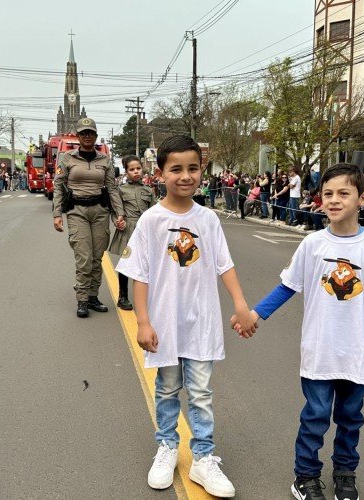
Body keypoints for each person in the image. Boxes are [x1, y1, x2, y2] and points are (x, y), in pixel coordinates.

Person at [234, 163, 364, 500]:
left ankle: (345, 471)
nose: (333, 200)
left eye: (343, 193)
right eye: (327, 193)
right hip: (320, 349)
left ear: (362, 199)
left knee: (350, 417)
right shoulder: (313, 244)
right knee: (315, 417)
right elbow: (287, 287)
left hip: (360, 351)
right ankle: (306, 475)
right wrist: (255, 314)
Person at [115, 135, 252, 498]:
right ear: (159, 173)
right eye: (176, 169)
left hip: (201, 322)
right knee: (167, 389)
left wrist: (240, 303)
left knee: (202, 392)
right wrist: (143, 321)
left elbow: (225, 264)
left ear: (202, 172)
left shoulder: (207, 219)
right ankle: (168, 448)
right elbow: (138, 274)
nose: (185, 176)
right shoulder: (150, 220)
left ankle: (204, 458)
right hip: (165, 323)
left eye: (193, 168)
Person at [52, 117, 125, 318]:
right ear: (78, 136)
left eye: (90, 133)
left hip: (100, 212)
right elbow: (58, 185)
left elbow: (111, 187)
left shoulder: (105, 160)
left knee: (96, 257)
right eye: (83, 133)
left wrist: (119, 213)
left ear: (95, 135)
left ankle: (93, 297)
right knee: (83, 258)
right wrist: (57, 213)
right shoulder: (67, 158)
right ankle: (82, 299)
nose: (87, 136)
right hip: (77, 211)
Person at [108, 155, 155, 311]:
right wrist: (117, 221)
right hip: (128, 228)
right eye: (132, 169)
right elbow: (115, 211)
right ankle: (123, 296)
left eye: (138, 168)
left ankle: (146, 298)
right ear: (126, 172)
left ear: (142, 169)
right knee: (126, 264)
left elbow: (155, 212)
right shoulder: (120, 190)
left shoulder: (148, 190)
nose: (136, 171)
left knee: (146, 264)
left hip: (145, 230)